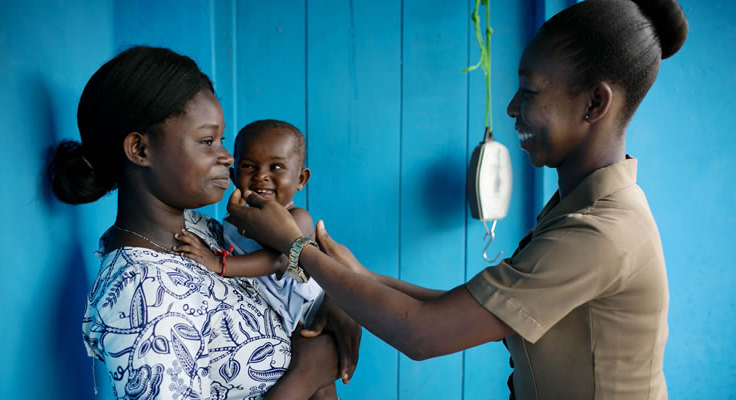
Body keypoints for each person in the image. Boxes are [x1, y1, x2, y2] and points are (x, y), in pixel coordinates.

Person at [224, 0, 688, 398]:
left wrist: (296, 247)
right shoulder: (576, 206)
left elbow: (424, 333)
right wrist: (358, 276)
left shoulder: (601, 232)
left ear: (594, 104)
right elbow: (465, 309)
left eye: (529, 91)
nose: (510, 108)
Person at [46, 46, 351, 399]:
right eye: (207, 141)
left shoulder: (200, 228)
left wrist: (335, 303)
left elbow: (283, 280)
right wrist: (309, 370)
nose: (227, 156)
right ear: (140, 150)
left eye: (221, 140)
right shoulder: (141, 296)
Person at [173, 119, 342, 393]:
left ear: (301, 179)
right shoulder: (233, 220)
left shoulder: (296, 219)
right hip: (277, 322)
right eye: (249, 166)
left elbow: (278, 260)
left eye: (276, 167)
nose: (261, 176)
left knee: (320, 391)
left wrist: (219, 264)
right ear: (233, 175)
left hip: (308, 317)